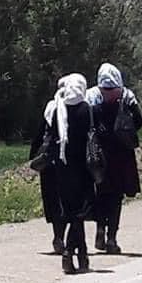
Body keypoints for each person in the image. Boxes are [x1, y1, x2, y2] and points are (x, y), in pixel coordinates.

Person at [89, 63, 142, 253]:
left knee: (102, 194)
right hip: (121, 156)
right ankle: (111, 238)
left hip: (100, 156)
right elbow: (139, 121)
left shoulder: (92, 101)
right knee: (115, 198)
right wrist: (125, 133)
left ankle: (101, 230)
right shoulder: (128, 99)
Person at [44, 73, 94, 272]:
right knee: (78, 213)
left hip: (62, 169)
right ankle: (70, 253)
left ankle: (82, 255)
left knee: (71, 211)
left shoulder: (58, 108)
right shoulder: (86, 109)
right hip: (83, 168)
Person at [30, 80, 67, 256]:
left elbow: (39, 136)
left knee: (53, 200)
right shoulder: (75, 107)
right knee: (66, 201)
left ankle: (57, 236)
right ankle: (63, 237)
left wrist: (34, 158)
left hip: (48, 163)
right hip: (66, 162)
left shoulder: (50, 108)